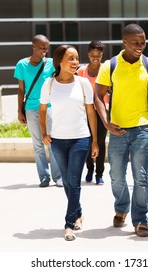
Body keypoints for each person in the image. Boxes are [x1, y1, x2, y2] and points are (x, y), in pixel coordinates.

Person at [95, 23, 148, 237]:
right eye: (135, 43)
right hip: (117, 130)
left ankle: (141, 219)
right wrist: (106, 123)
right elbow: (98, 95)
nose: (140, 46)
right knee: (116, 175)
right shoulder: (110, 65)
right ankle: (122, 207)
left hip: (142, 128)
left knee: (141, 177)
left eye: (143, 43)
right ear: (124, 42)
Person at [39, 45, 99, 241]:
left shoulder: (83, 83)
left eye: (76, 58)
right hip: (57, 140)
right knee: (67, 182)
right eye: (71, 59)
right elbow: (41, 110)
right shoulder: (49, 84)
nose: (75, 62)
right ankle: (78, 212)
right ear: (59, 62)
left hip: (80, 138)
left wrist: (95, 140)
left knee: (74, 181)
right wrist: (43, 133)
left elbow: (91, 112)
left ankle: (69, 224)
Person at [14, 34, 62, 188]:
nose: (44, 51)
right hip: (30, 108)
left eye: (46, 48)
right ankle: (44, 177)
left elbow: (59, 81)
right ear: (33, 46)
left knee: (52, 142)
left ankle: (58, 177)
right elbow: (21, 89)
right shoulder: (21, 65)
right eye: (41, 48)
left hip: (48, 107)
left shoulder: (50, 64)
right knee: (38, 144)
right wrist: (19, 110)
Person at [77, 40, 108, 185]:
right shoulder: (81, 72)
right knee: (88, 141)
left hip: (102, 112)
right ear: (88, 54)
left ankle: (99, 173)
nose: (95, 57)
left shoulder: (106, 71)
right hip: (85, 113)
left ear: (102, 55)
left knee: (100, 142)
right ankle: (89, 168)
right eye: (93, 55)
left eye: (99, 55)